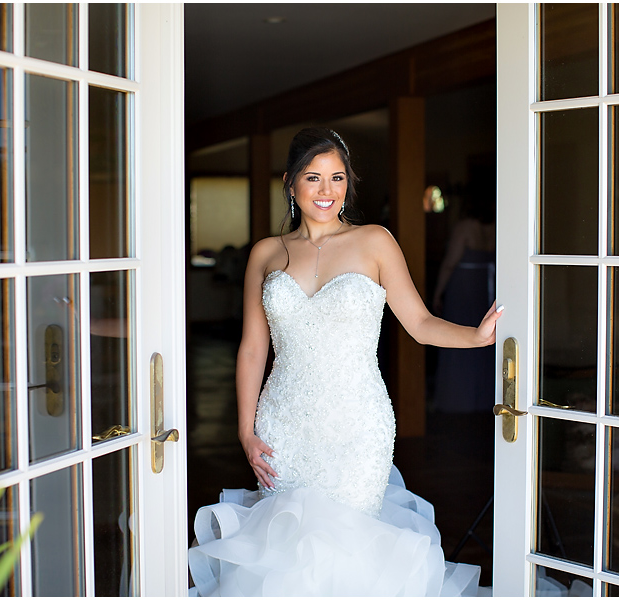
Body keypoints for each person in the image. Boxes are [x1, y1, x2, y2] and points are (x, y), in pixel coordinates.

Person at [188, 127, 503, 596]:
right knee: (288, 553)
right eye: (313, 178)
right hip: (283, 427)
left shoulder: (375, 241)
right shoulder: (266, 254)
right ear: (291, 183)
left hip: (357, 429)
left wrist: (476, 338)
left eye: (337, 178)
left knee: (350, 553)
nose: (327, 191)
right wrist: (245, 430)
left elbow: (418, 322)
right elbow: (253, 349)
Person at [431, 202, 496, 413]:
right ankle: (482, 399)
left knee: (457, 337)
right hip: (487, 288)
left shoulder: (465, 227)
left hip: (464, 289)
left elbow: (450, 262)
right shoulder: (496, 227)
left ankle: (458, 399)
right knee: (485, 341)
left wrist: (438, 292)